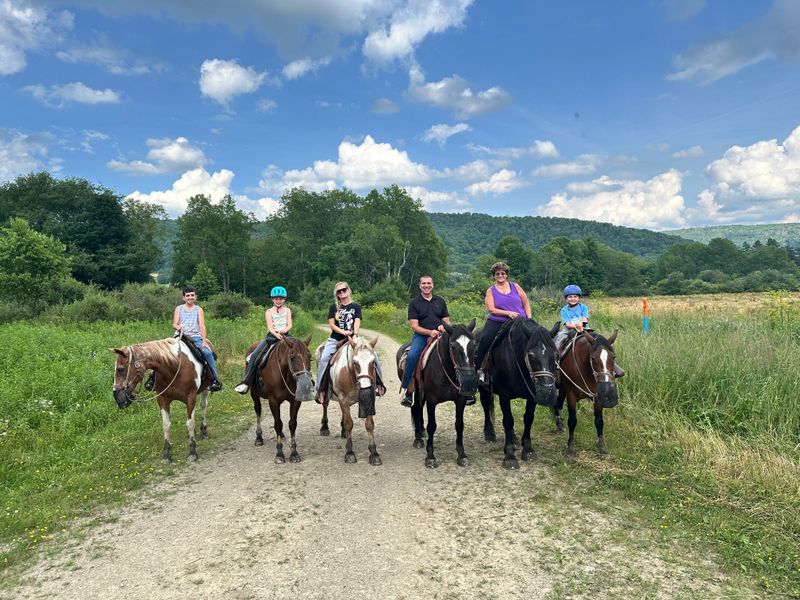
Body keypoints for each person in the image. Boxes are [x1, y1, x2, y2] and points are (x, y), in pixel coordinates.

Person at [315, 281, 385, 403]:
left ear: (348, 290)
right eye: (339, 291)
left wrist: (354, 334)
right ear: (337, 294)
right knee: (324, 358)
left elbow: (357, 321)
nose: (342, 292)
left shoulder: (356, 306)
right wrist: (343, 332)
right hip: (335, 339)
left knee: (372, 355)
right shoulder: (334, 307)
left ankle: (378, 384)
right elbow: (331, 324)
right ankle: (321, 389)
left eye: (344, 290)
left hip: (354, 338)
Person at [399, 275, 454, 407]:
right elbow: (414, 326)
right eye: (423, 283)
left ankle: (464, 388)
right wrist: (430, 332)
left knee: (458, 351)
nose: (426, 285)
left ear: (433, 285)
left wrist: (443, 327)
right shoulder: (414, 303)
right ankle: (408, 390)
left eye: (429, 283)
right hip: (422, 336)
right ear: (420, 286)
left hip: (441, 335)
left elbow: (447, 321)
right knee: (412, 356)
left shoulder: (440, 301)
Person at [475, 261, 532, 383]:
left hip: (519, 321)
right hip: (497, 321)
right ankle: (480, 370)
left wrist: (529, 318)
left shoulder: (515, 286)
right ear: (494, 276)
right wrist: (508, 313)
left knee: (538, 337)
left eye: (502, 273)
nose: (500, 276)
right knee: (485, 339)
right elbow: (491, 309)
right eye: (497, 274)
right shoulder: (491, 290)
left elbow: (526, 302)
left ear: (506, 275)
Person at [555, 284, 624, 377]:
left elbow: (585, 319)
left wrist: (581, 324)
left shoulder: (583, 307)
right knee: (559, 340)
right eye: (570, 297)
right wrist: (575, 326)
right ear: (566, 298)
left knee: (600, 342)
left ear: (579, 298)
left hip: (584, 328)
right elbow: (567, 323)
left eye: (575, 296)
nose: (573, 299)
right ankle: (556, 360)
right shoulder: (564, 310)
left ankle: (611, 366)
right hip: (569, 329)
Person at [234, 286, 293, 394]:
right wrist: (277, 335)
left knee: (300, 351)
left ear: (284, 299)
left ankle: (306, 381)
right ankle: (246, 381)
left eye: (280, 299)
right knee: (254, 355)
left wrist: (284, 331)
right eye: (276, 299)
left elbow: (289, 324)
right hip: (271, 337)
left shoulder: (288, 310)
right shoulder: (269, 312)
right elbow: (270, 327)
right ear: (272, 299)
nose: (278, 301)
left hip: (286, 336)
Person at [172, 286, 222, 392]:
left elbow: (202, 325)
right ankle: (153, 378)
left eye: (192, 295)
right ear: (184, 297)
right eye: (187, 296)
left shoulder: (198, 309)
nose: (190, 297)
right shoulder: (179, 308)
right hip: (179, 336)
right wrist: (178, 327)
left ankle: (214, 378)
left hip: (195, 337)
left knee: (208, 353)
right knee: (164, 352)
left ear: (195, 297)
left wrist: (204, 341)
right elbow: (174, 323)